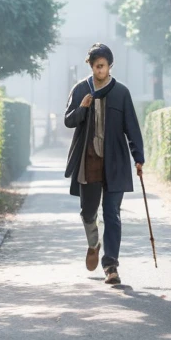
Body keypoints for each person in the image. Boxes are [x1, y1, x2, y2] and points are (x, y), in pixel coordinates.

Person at [64, 43, 145, 285]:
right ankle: (93, 244)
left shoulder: (120, 92)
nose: (99, 70)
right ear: (90, 66)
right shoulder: (80, 90)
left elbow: (131, 126)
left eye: (103, 66)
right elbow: (68, 120)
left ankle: (111, 266)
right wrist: (82, 108)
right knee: (88, 213)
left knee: (113, 214)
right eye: (95, 66)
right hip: (88, 162)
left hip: (115, 162)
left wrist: (138, 157)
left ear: (110, 66)